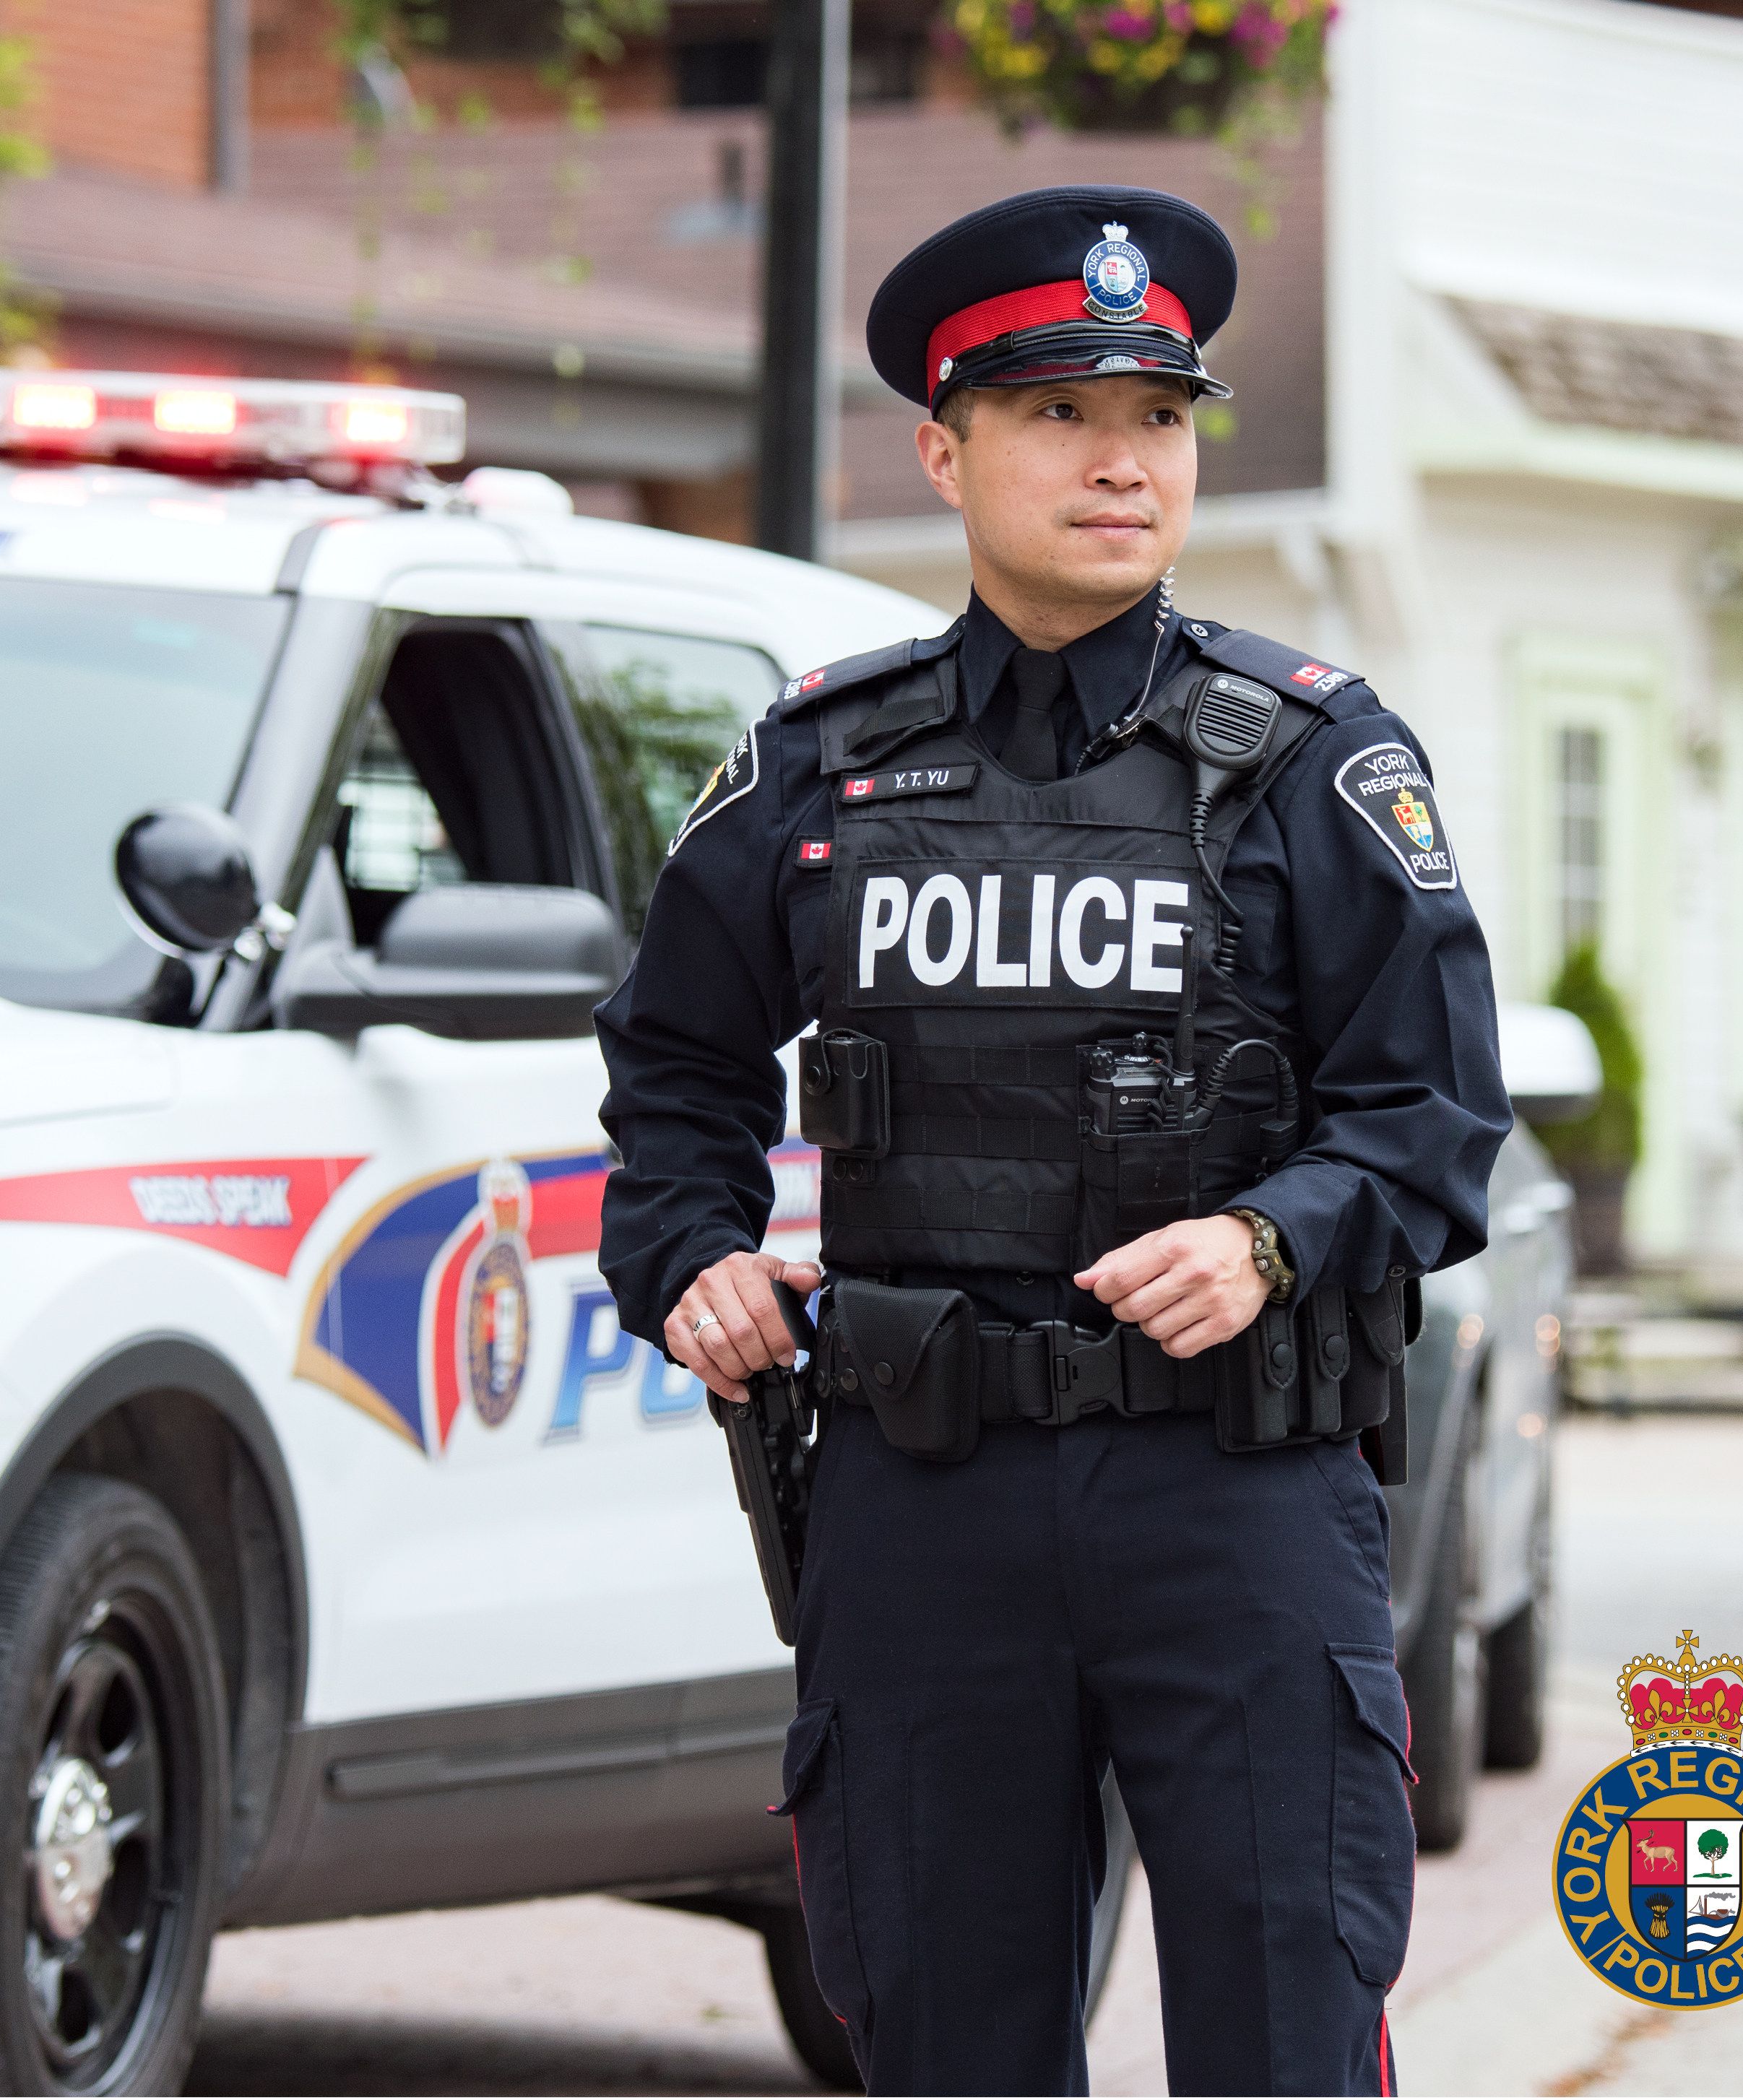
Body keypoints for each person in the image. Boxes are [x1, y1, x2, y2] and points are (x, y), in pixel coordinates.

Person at [594, 185, 1508, 2096]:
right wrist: (688, 1251)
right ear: (944, 448)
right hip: (925, 1498)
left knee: (1281, 2032)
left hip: (1234, 1492)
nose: (1122, 461)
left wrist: (1268, 1237)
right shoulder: (821, 762)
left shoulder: (1313, 760)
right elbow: (676, 1052)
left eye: (1158, 418)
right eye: (1060, 415)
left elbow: (1433, 1117)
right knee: (945, 2042)